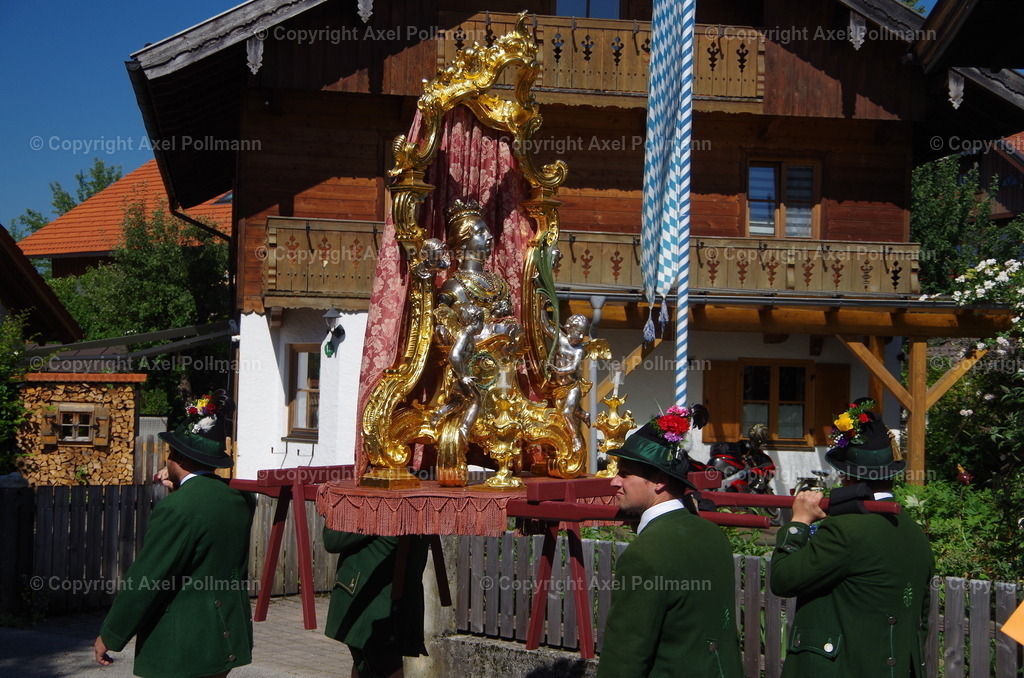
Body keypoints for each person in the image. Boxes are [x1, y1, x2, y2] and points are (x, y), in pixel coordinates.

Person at [93, 391, 256, 677]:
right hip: (225, 633)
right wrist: (182, 488)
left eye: (170, 454)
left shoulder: (177, 508)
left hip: (184, 644)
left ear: (178, 456)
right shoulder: (241, 500)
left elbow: (148, 578)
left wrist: (111, 634)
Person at [770, 400, 934, 677]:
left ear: (846, 476)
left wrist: (798, 523)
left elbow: (783, 579)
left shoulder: (846, 530)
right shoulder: (915, 534)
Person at [596, 418, 743, 678]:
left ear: (660, 481)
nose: (614, 482)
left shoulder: (645, 553)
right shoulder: (712, 534)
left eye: (625, 473)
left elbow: (626, 654)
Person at [323, 529, 430, 678]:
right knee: (367, 666)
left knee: (379, 667)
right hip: (393, 601)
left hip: (373, 602)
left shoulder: (377, 505)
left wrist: (332, 511)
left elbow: (333, 539)